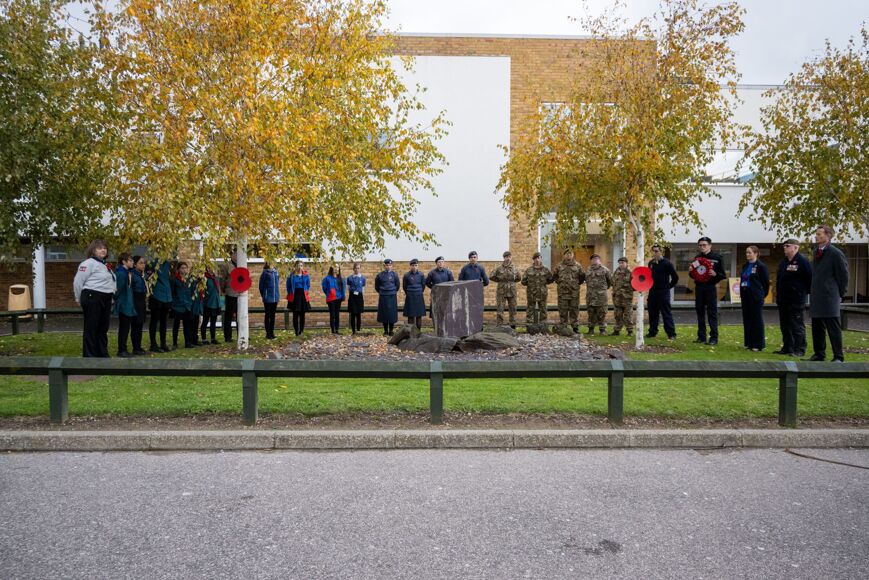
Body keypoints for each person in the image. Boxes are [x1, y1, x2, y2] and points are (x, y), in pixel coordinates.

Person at [808, 225, 849, 362]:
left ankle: (838, 356)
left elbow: (843, 275)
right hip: (817, 295)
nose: (817, 236)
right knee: (817, 326)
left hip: (830, 296)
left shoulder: (835, 253)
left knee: (833, 327)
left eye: (819, 234)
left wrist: (841, 294)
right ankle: (819, 353)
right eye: (816, 234)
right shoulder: (816, 252)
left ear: (828, 236)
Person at [73, 240, 116, 358]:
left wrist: (111, 295)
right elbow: (78, 281)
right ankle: (89, 355)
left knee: (103, 328)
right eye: (99, 248)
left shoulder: (105, 265)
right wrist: (78, 297)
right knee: (91, 327)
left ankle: (102, 353)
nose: (103, 250)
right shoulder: (88, 263)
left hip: (105, 298)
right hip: (93, 296)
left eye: (105, 248)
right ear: (93, 250)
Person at [774, 239, 812, 357]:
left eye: (787, 246)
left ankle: (799, 349)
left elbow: (810, 278)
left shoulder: (802, 261)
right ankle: (788, 347)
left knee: (797, 325)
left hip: (796, 299)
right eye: (784, 246)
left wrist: (801, 292)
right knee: (785, 325)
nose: (784, 248)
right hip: (783, 299)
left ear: (795, 248)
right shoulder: (784, 262)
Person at [689, 236, 727, 346]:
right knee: (700, 312)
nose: (702, 247)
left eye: (704, 245)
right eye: (700, 245)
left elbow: (723, 275)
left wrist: (716, 275)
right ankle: (701, 337)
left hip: (710, 288)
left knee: (712, 313)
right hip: (699, 288)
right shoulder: (696, 258)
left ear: (710, 245)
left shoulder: (717, 257)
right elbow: (692, 275)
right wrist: (691, 271)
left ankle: (714, 338)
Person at [739, 245, 770, 351]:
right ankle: (749, 343)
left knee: (756, 319)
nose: (747, 254)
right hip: (745, 295)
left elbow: (765, 283)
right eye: (746, 252)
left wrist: (761, 294)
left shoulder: (761, 266)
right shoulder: (745, 266)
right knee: (747, 319)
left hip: (756, 296)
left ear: (756, 253)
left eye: (750, 252)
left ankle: (758, 344)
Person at [647, 244, 678, 340]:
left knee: (666, 313)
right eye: (653, 251)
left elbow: (675, 278)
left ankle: (671, 334)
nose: (654, 253)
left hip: (663, 292)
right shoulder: (651, 263)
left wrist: (668, 287)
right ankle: (652, 332)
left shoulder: (667, 263)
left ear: (661, 252)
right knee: (652, 313)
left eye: (656, 251)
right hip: (652, 292)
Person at [552, 248, 585, 333]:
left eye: (570, 254)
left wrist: (575, 284)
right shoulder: (559, 266)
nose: (568, 255)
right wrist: (560, 282)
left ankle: (575, 327)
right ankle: (563, 325)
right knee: (563, 309)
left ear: (573, 255)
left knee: (574, 310)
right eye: (567, 254)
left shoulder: (578, 265)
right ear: (564, 255)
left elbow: (582, 277)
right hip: (562, 293)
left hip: (574, 293)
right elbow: (555, 276)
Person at [113, 253, 138, 358]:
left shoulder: (128, 272)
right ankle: (122, 350)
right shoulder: (121, 273)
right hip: (124, 304)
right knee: (124, 328)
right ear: (124, 261)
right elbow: (118, 290)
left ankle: (124, 349)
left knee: (126, 327)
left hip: (128, 303)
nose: (132, 262)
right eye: (130, 260)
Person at [521, 252, 554, 328]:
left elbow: (551, 279)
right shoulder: (529, 270)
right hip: (531, 294)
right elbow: (523, 281)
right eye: (536, 258)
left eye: (539, 258)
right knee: (530, 310)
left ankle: (543, 326)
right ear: (533, 260)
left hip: (542, 293)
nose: (537, 260)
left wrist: (543, 285)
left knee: (543, 309)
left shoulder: (546, 270)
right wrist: (531, 285)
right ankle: (529, 326)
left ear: (541, 259)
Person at [490, 251, 521, 328]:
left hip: (512, 291)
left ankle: (512, 324)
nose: (508, 258)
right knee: (500, 308)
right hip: (501, 291)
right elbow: (491, 276)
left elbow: (519, 278)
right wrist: (500, 281)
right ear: (504, 258)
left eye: (509, 257)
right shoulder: (499, 268)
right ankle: (499, 325)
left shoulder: (515, 268)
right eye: (506, 257)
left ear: (511, 257)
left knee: (513, 308)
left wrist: (511, 283)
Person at [147, 259, 172, 353]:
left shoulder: (167, 263)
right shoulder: (153, 263)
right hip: (156, 295)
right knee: (154, 320)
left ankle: (163, 343)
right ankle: (153, 344)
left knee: (164, 321)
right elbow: (148, 277)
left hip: (166, 295)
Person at [584, 254, 613, 335]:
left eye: (596, 259)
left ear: (599, 260)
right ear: (591, 261)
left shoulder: (605, 270)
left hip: (601, 296)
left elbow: (610, 282)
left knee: (602, 313)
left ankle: (602, 330)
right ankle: (591, 329)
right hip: (590, 296)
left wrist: (602, 289)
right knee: (591, 313)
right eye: (593, 259)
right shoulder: (588, 270)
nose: (594, 260)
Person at [170, 262, 195, 349]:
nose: (184, 270)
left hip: (187, 304)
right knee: (176, 324)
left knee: (187, 324)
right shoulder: (175, 280)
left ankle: (187, 342)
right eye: (182, 268)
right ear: (178, 269)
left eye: (185, 268)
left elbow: (191, 291)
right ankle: (174, 343)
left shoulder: (189, 280)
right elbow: (172, 292)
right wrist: (174, 302)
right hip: (178, 305)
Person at [375, 258, 400, 336]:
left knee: (391, 313)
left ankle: (391, 330)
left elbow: (397, 286)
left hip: (392, 296)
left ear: (392, 266)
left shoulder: (395, 275)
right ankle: (385, 331)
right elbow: (377, 287)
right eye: (387, 265)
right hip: (383, 296)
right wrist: (382, 292)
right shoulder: (380, 275)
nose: (388, 266)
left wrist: (392, 291)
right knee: (384, 313)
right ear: (384, 266)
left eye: (390, 265)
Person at [218, 250, 239, 343]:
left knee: (240, 315)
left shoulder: (241, 264)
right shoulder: (227, 265)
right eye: (235, 254)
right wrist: (224, 289)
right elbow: (223, 279)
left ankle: (241, 334)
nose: (237, 256)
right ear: (232, 255)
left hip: (240, 294)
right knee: (229, 316)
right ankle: (228, 336)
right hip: (230, 292)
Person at [286, 260, 311, 336]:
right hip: (295, 295)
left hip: (303, 295)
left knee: (302, 314)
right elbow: (288, 286)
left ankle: (301, 331)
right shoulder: (291, 275)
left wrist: (305, 292)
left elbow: (308, 285)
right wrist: (291, 292)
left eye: (301, 265)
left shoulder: (306, 275)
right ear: (295, 266)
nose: (300, 267)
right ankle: (296, 331)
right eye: (298, 265)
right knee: (295, 314)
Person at [611, 257, 635, 336]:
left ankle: (630, 331)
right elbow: (613, 282)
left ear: (626, 263)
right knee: (617, 315)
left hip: (627, 298)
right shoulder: (616, 272)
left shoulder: (631, 272)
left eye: (622, 263)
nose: (621, 264)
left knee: (628, 315)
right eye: (620, 263)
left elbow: (635, 285)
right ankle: (617, 330)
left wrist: (628, 291)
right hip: (617, 297)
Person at [130, 256, 148, 355]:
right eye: (141, 263)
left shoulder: (142, 275)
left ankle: (138, 346)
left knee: (140, 325)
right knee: (135, 325)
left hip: (141, 301)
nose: (143, 265)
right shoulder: (132, 275)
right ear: (135, 264)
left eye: (144, 263)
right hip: (135, 301)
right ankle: (135, 347)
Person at [402, 259, 426, 329]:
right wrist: (409, 293)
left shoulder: (421, 275)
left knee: (419, 316)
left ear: (418, 266)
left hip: (419, 296)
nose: (414, 267)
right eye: (413, 265)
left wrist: (419, 292)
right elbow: (404, 287)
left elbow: (423, 286)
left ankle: (418, 332)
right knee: (410, 316)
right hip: (410, 297)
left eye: (416, 265)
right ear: (410, 266)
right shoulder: (406, 275)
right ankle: (411, 332)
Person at [322, 265, 346, 334]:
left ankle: (337, 329)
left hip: (338, 298)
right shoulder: (327, 278)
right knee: (332, 314)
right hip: (331, 298)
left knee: (337, 314)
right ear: (332, 268)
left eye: (338, 267)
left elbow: (343, 289)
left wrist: (342, 296)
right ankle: (332, 330)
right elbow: (324, 287)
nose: (336, 268)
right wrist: (328, 293)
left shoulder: (341, 278)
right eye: (335, 267)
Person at [259, 262, 280, 339]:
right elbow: (261, 286)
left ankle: (272, 332)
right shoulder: (265, 272)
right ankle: (268, 333)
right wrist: (264, 294)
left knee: (273, 316)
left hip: (275, 297)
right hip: (268, 298)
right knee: (268, 315)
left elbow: (277, 284)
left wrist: (277, 295)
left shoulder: (276, 272)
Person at [200, 266, 221, 344]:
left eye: (212, 267)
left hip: (215, 302)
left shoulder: (214, 278)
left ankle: (213, 338)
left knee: (213, 321)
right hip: (208, 303)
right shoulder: (205, 279)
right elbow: (203, 292)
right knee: (205, 321)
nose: (211, 269)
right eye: (209, 267)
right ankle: (204, 339)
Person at [346, 263, 366, 334]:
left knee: (358, 314)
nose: (357, 269)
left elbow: (363, 288)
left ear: (360, 269)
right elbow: (348, 288)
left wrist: (361, 295)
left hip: (359, 297)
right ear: (353, 269)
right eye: (356, 268)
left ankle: (358, 330)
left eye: (358, 268)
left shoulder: (363, 278)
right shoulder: (349, 278)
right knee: (353, 314)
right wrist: (353, 293)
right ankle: (353, 331)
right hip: (352, 297)